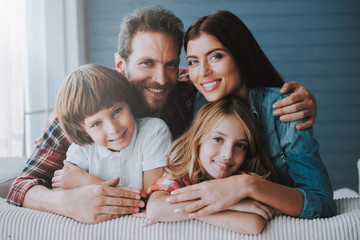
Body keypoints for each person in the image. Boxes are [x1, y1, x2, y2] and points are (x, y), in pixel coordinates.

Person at [7, 6, 317, 224]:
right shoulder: (83, 110)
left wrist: (297, 97)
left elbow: (238, 86)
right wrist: (65, 202)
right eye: (147, 63)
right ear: (120, 65)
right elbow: (21, 186)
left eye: (170, 64)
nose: (161, 77)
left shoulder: (188, 91)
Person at [166, 10, 335, 219]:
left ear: (241, 56)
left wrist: (248, 186)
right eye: (193, 61)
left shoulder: (283, 108)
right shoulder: (193, 94)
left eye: (216, 56)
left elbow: (322, 203)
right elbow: (133, 84)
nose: (203, 72)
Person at [144, 96, 277, 234]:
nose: (228, 154)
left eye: (240, 145)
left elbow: (253, 224)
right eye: (218, 139)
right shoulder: (183, 171)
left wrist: (179, 211)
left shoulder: (242, 177)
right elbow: (155, 208)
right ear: (198, 138)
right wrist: (233, 205)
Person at [51, 64, 171, 203]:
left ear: (128, 103)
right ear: (83, 131)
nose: (113, 129)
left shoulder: (153, 132)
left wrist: (87, 181)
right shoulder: (83, 148)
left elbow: (149, 201)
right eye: (96, 124)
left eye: (117, 111)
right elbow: (65, 197)